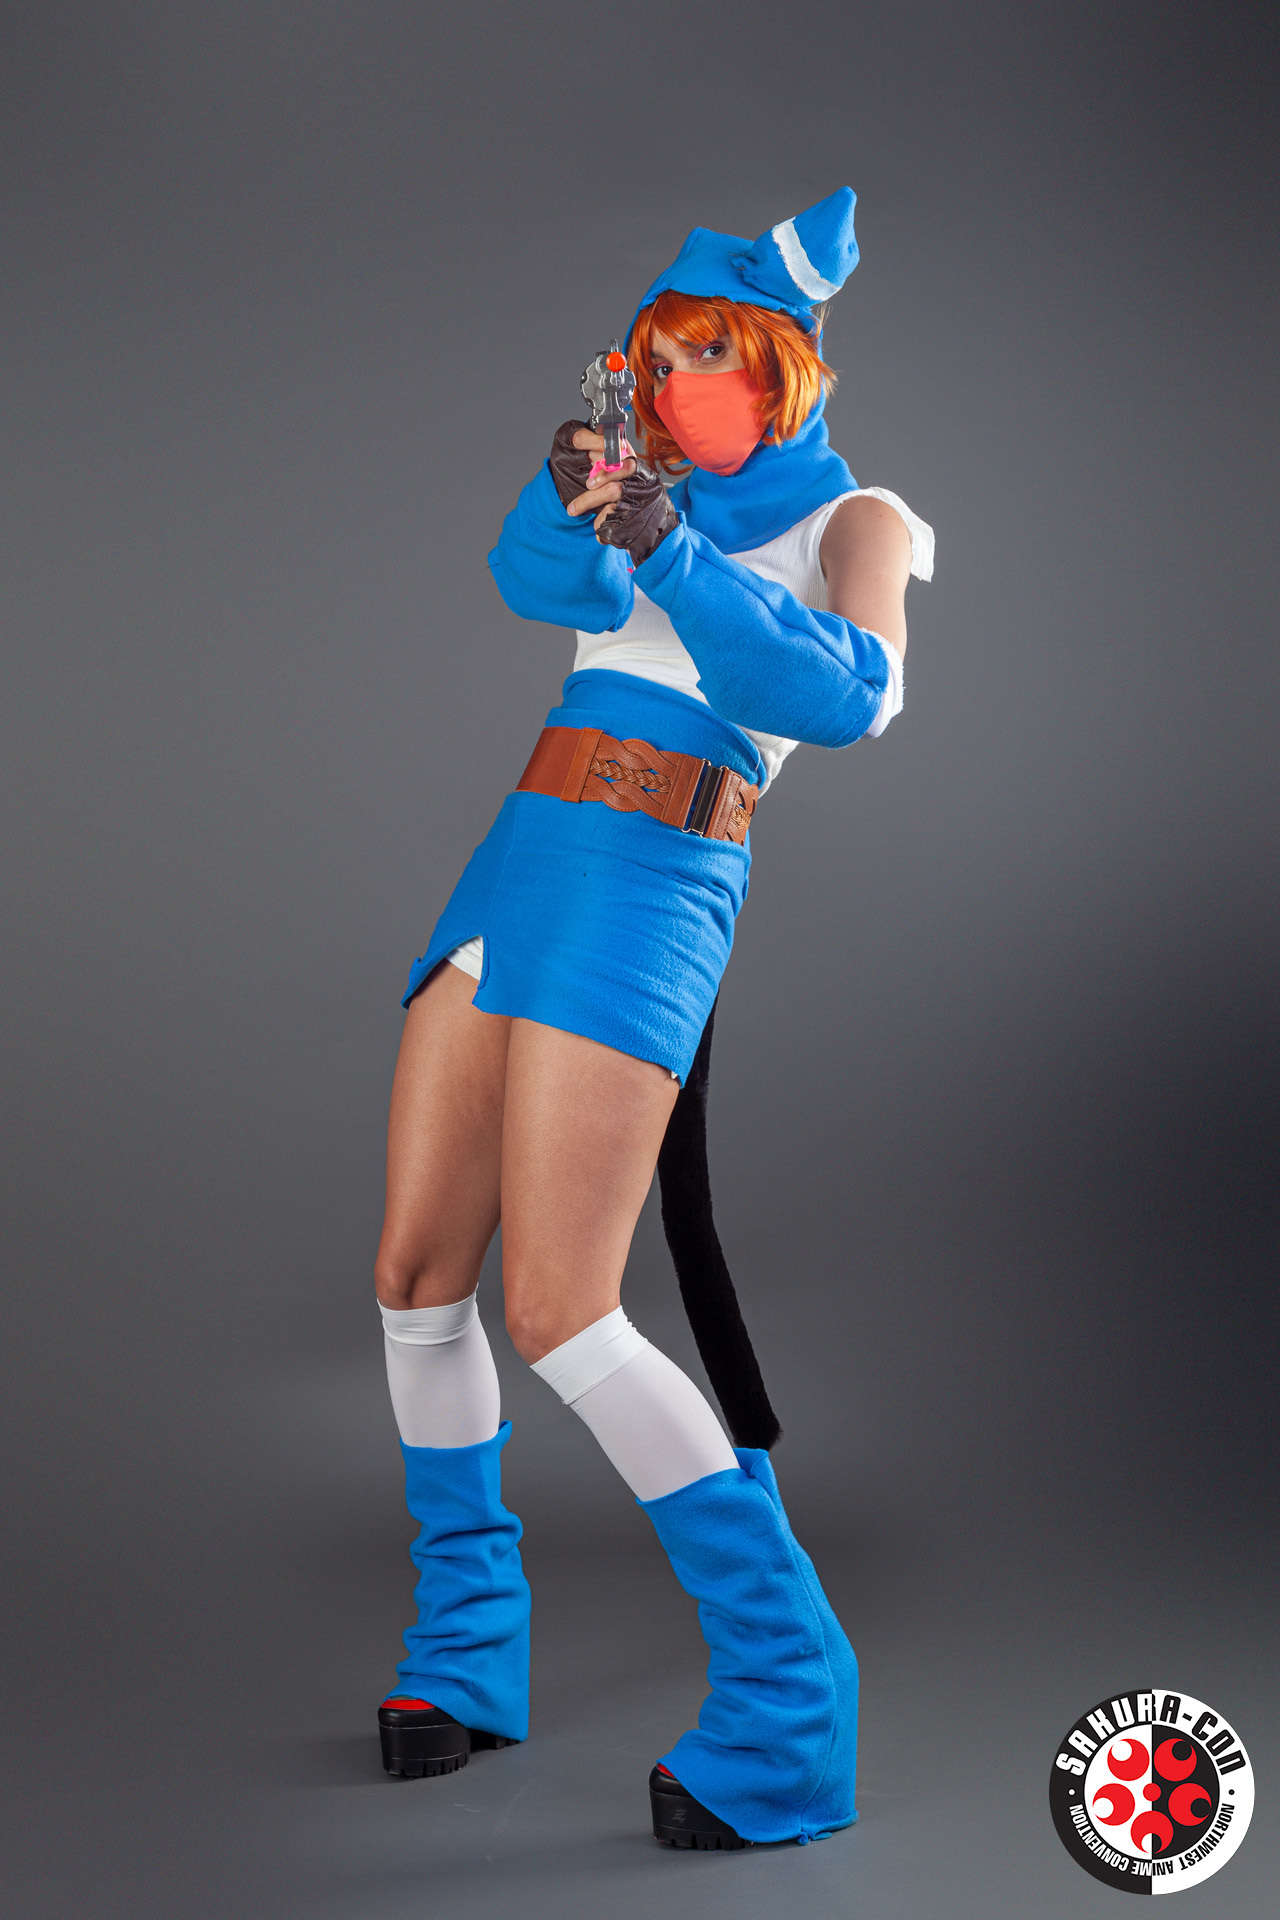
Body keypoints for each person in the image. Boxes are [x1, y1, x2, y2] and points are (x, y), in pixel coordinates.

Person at [371, 187, 934, 1849]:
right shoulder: (644, 478)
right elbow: (528, 582)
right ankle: (467, 1646)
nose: (686, 386)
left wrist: (674, 552)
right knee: (415, 1278)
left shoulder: (858, 518)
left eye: (714, 360)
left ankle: (789, 1695)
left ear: (782, 367)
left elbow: (847, 694)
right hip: (522, 849)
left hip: (656, 871)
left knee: (563, 1308)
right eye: (662, 357)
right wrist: (586, 484)